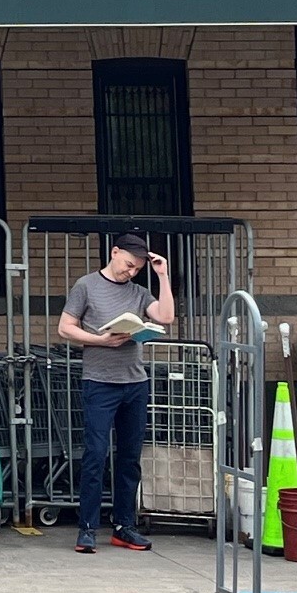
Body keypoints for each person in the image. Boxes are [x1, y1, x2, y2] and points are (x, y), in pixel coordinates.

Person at [58, 230, 175, 554]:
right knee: (95, 455)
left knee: (130, 458)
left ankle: (125, 526)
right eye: (128, 264)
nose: (131, 272)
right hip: (99, 381)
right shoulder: (86, 286)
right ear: (114, 252)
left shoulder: (138, 293)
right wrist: (100, 340)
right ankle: (87, 528)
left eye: (137, 268)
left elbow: (166, 317)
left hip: (134, 382)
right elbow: (65, 327)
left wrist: (162, 276)